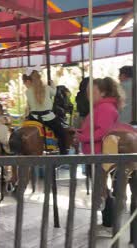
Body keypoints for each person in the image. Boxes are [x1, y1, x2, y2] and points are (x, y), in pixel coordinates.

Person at [75, 77, 124, 236]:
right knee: (100, 188)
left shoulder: (105, 108)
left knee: (101, 189)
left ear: (102, 92)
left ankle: (109, 224)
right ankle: (107, 222)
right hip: (95, 153)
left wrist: (81, 137)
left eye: (92, 91)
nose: (89, 94)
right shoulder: (99, 107)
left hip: (99, 153)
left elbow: (103, 131)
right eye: (88, 92)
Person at [22, 67, 68, 154]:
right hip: (48, 118)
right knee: (61, 133)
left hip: (34, 117)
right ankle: (63, 153)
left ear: (30, 80)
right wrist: (52, 84)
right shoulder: (47, 88)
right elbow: (54, 93)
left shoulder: (28, 91)